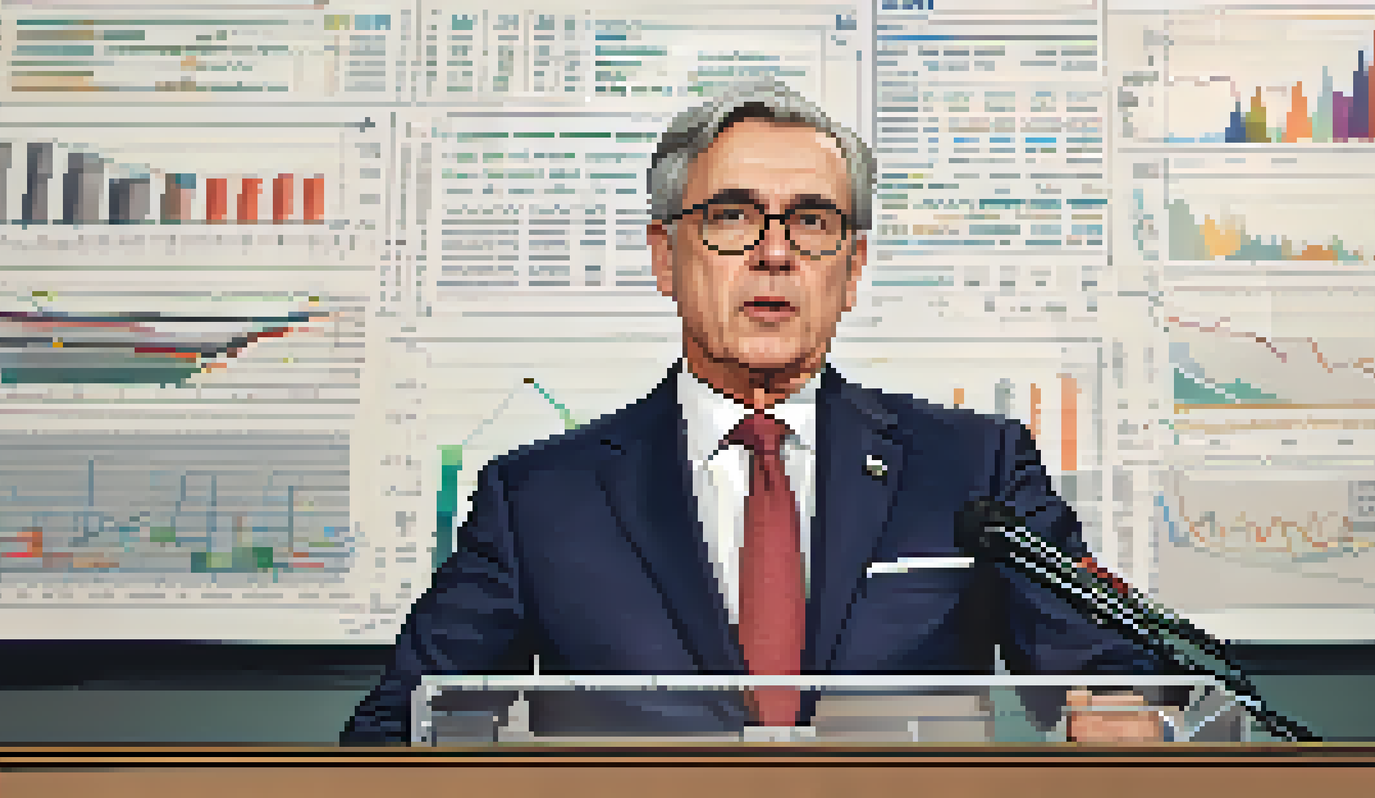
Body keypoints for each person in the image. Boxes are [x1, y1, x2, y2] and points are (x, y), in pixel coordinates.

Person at [341, 79, 1168, 744]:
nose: (775, 252)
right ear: (666, 257)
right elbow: (397, 730)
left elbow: (1110, 678)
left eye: (812, 221)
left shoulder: (975, 469)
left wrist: (1122, 716)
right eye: (733, 216)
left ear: (852, 269)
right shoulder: (538, 499)